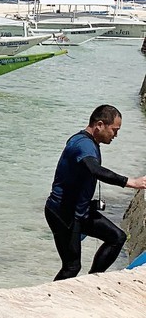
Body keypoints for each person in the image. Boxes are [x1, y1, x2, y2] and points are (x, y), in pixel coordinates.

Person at [44, 106, 146, 280]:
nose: (115, 135)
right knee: (72, 266)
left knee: (117, 237)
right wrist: (131, 182)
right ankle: (48, 298)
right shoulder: (83, 144)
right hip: (63, 213)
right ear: (100, 124)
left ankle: (93, 278)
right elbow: (95, 170)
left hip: (80, 211)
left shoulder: (89, 143)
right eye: (114, 130)